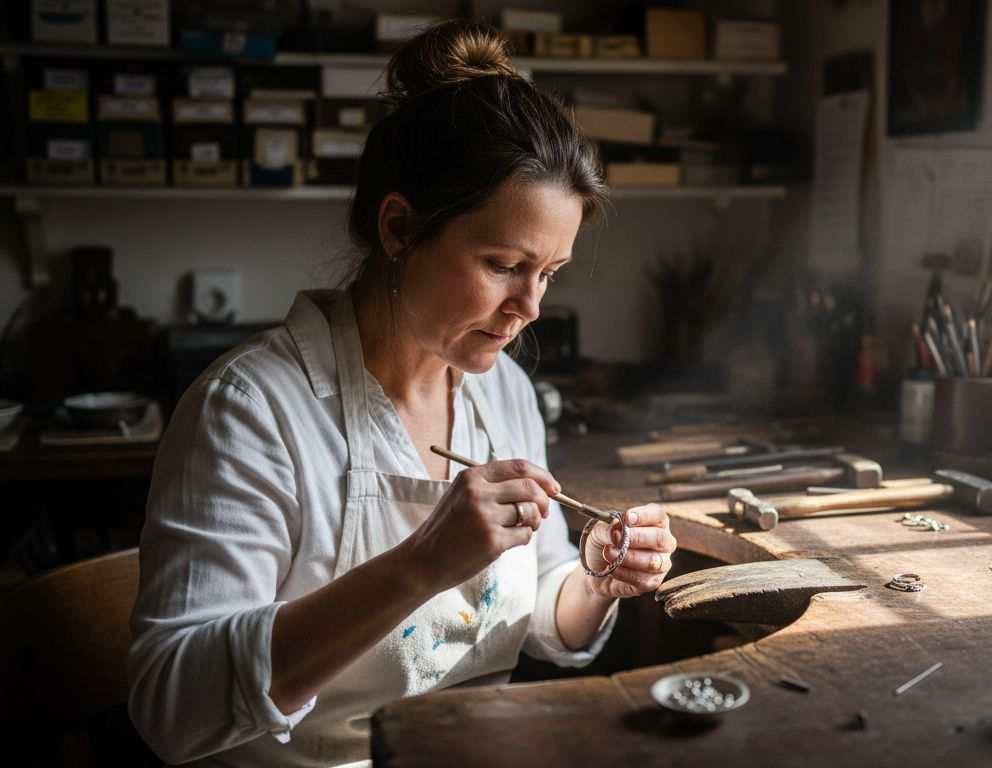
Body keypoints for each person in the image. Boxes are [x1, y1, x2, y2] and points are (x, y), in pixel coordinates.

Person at [127, 21, 676, 767]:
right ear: (399, 228)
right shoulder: (251, 412)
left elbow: (541, 617)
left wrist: (595, 579)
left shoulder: (502, 392)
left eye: (548, 273)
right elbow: (172, 707)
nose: (530, 307)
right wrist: (419, 565)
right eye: (503, 263)